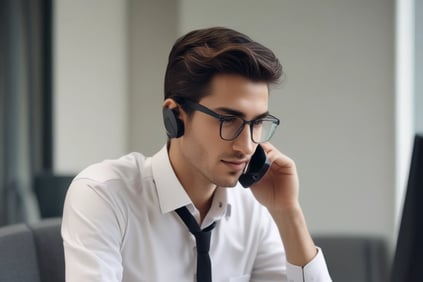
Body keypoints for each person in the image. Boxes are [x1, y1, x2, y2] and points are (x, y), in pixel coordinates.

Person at [61, 26, 332, 282]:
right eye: (229, 120)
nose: (247, 146)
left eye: (257, 123)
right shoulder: (104, 195)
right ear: (175, 116)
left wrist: (287, 212)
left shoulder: (251, 208)